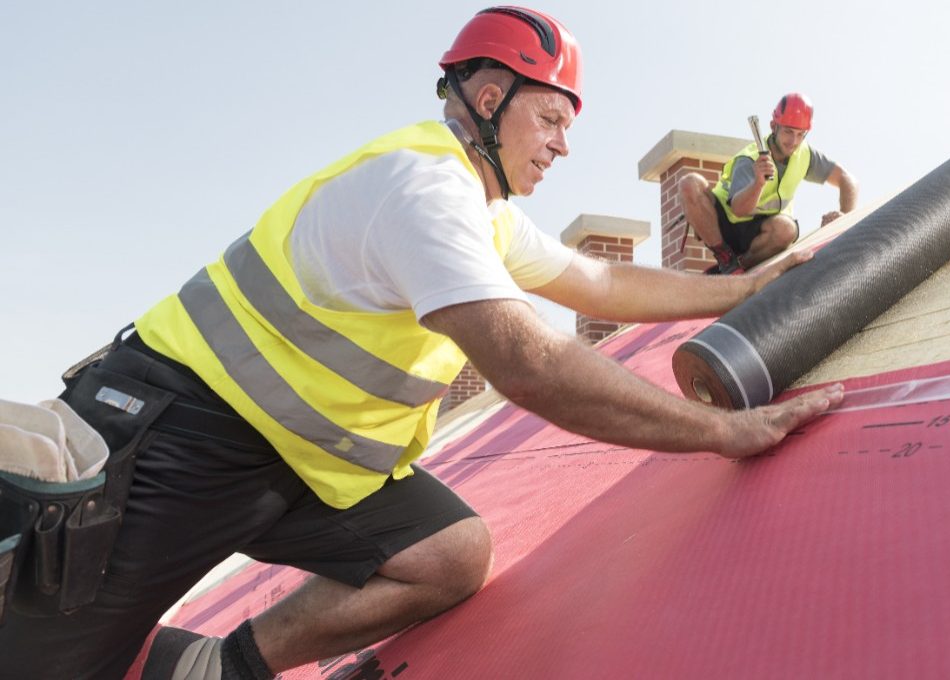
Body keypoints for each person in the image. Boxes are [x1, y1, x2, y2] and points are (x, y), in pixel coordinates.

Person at [0, 7, 843, 679]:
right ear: (488, 100)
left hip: (301, 470)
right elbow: (533, 363)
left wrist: (746, 287)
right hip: (180, 441)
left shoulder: (486, 212)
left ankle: (222, 668)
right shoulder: (422, 189)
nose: (563, 143)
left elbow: (601, 284)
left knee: (449, 555)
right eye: (550, 118)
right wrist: (724, 435)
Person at [678, 92, 859, 274]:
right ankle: (725, 259)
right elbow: (738, 210)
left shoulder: (805, 155)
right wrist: (758, 183)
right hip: (725, 225)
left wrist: (845, 218)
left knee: (786, 229)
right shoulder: (749, 159)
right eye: (788, 131)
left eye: (800, 134)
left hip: (761, 234)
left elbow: (847, 180)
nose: (793, 141)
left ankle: (738, 267)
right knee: (689, 183)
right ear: (774, 126)